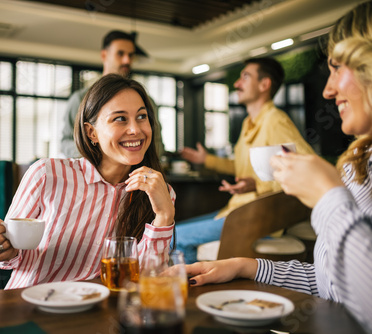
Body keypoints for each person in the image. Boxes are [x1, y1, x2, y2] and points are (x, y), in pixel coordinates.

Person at [186, 2, 372, 332]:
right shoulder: (359, 166)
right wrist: (246, 267)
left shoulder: (277, 122)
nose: (328, 90)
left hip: (252, 213)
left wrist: (328, 197)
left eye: (337, 68)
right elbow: (331, 282)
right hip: (240, 206)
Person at [0, 74, 175, 289]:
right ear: (91, 132)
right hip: (31, 306)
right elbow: (9, 258)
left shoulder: (159, 192)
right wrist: (2, 250)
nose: (135, 130)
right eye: (120, 118)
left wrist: (164, 216)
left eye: (142, 116)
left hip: (99, 314)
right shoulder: (46, 174)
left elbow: (148, 278)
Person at [176, 57, 314, 263]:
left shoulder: (275, 121)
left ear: (264, 84)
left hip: (260, 216)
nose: (236, 84)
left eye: (245, 77)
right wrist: (207, 160)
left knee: (175, 237)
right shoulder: (248, 123)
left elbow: (305, 168)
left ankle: (188, 292)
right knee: (173, 229)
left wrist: (257, 185)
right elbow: (243, 167)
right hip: (240, 208)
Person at [60, 30, 164, 158]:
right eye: (120, 54)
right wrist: (102, 156)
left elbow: (157, 143)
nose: (126, 60)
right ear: (104, 55)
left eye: (130, 55)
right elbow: (66, 142)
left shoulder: (147, 101)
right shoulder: (80, 99)